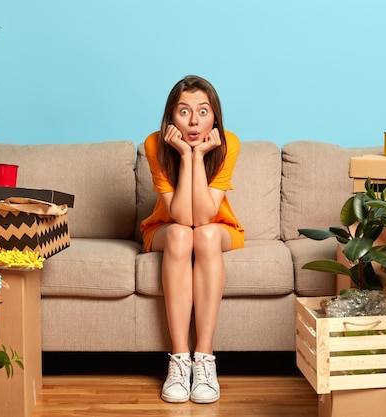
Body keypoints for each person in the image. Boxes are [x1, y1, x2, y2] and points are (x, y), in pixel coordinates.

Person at [140, 75, 244, 404]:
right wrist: (185, 156)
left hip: (218, 227)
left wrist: (199, 157)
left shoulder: (229, 143)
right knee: (183, 236)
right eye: (184, 111)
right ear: (171, 116)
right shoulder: (155, 143)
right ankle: (179, 359)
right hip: (165, 228)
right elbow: (183, 218)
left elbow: (204, 217)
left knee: (207, 235)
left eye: (203, 111)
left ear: (215, 116)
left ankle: (205, 359)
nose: (194, 120)